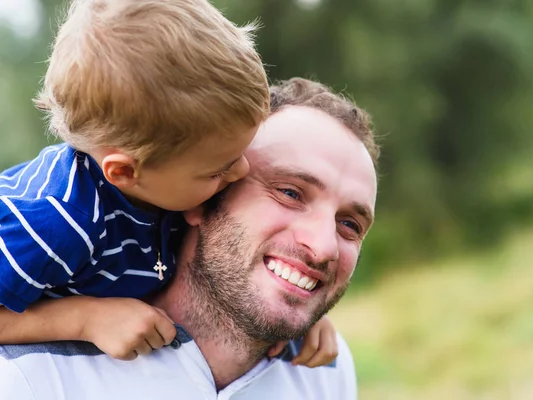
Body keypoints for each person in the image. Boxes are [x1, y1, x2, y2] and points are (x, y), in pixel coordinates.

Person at [0, 0, 336, 366]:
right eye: (217, 170)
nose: (240, 171)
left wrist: (293, 311)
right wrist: (86, 319)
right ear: (126, 172)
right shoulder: (56, 223)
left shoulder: (165, 180)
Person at [0, 78, 380, 399]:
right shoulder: (28, 375)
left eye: (349, 224)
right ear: (203, 199)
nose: (325, 246)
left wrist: (295, 307)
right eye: (290, 193)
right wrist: (79, 320)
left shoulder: (323, 372)